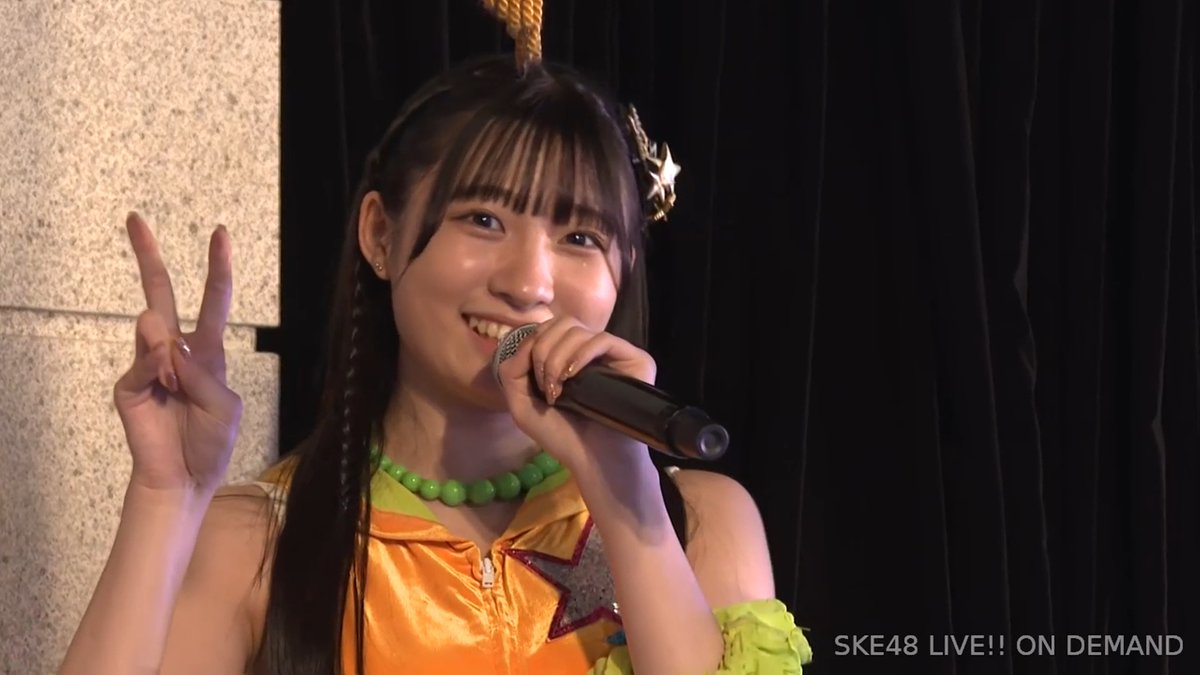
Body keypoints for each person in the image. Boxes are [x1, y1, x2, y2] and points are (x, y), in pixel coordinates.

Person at [59, 7, 813, 674]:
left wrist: (629, 500)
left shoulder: (701, 523)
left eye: (580, 236)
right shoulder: (263, 542)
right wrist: (164, 498)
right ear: (381, 236)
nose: (530, 282)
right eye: (483, 219)